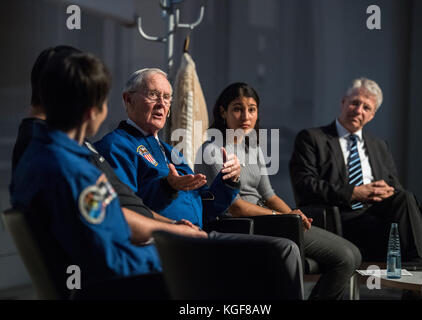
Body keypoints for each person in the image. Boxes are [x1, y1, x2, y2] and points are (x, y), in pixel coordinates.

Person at [94, 69, 306, 299]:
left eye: (167, 97)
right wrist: (168, 186)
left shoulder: (169, 151)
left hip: (200, 234)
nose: (161, 104)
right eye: (153, 95)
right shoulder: (116, 146)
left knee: (285, 249)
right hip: (167, 240)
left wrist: (229, 180)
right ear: (127, 99)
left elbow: (207, 204)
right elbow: (129, 209)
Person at [11, 46, 206, 245]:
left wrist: (175, 225)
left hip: (167, 244)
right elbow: (115, 220)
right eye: (101, 100)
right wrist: (174, 231)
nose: (162, 104)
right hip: (149, 260)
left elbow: (116, 210)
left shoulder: (70, 151)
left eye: (167, 98)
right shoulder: (66, 161)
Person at [10, 51, 166, 287]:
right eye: (104, 102)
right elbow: (111, 262)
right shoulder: (74, 173)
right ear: (91, 112)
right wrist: (172, 256)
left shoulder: (39, 153)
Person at [195, 82, 361, 300]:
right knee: (346, 258)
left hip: (271, 220)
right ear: (223, 112)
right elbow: (233, 207)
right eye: (237, 108)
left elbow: (269, 194)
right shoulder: (212, 150)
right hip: (244, 225)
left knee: (354, 254)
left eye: (252, 109)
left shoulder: (252, 147)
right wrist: (283, 217)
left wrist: (294, 212)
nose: (246, 115)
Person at [289, 77, 422, 262]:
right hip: (340, 218)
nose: (359, 110)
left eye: (366, 107)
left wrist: (385, 190)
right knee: (398, 230)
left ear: (372, 115)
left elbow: (394, 186)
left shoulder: (379, 146)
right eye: (355, 103)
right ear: (343, 102)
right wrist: (354, 193)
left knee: (405, 198)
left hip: (376, 213)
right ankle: (416, 272)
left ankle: (415, 269)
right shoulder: (312, 138)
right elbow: (304, 184)